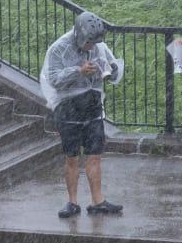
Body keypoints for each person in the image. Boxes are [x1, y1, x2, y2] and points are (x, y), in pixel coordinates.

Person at [41, 12, 124, 219]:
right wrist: (78, 71)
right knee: (72, 157)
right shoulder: (59, 48)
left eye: (94, 43)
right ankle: (72, 202)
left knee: (95, 155)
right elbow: (53, 79)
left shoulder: (99, 47)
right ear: (79, 35)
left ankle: (98, 201)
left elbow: (113, 69)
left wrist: (111, 70)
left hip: (92, 104)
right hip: (68, 107)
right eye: (88, 42)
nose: (91, 47)